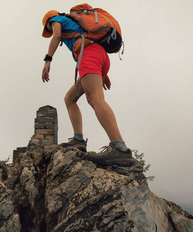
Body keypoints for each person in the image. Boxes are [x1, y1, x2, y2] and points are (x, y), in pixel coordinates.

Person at [41, 10, 134, 166]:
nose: (49, 31)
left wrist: (47, 60)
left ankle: (120, 148)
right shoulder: (75, 25)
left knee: (95, 100)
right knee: (69, 98)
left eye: (47, 29)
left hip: (89, 56)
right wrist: (103, 74)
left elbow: (56, 36)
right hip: (99, 56)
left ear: (48, 21)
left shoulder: (56, 19)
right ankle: (78, 140)